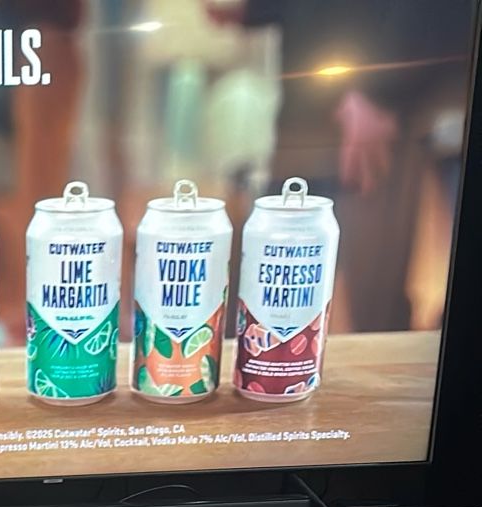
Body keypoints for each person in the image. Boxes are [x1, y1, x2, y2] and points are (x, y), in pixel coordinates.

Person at [204, 0, 475, 330]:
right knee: (274, 294)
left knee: (371, 315)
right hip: (307, 114)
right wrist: (249, 9)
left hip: (368, 116)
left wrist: (380, 91)